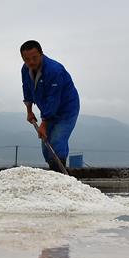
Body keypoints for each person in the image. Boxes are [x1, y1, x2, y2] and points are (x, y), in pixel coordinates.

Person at [19, 40, 80, 171]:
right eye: (27, 59)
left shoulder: (54, 70)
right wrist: (29, 111)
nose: (31, 62)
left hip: (66, 109)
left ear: (41, 54)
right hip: (47, 109)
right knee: (46, 146)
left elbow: (54, 98)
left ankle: (61, 176)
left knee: (57, 141)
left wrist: (44, 123)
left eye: (34, 58)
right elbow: (27, 89)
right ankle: (53, 172)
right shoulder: (25, 69)